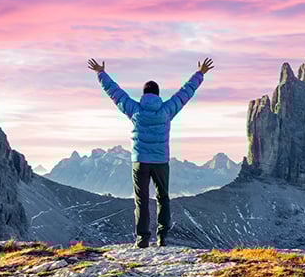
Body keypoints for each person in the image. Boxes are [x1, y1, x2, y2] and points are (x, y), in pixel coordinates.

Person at [87, 57, 214, 248]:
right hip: (161, 161)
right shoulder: (166, 111)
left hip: (140, 162)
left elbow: (116, 93)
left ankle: (142, 240)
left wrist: (101, 73)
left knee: (141, 200)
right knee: (163, 197)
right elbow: (184, 94)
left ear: (144, 94)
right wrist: (200, 74)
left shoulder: (135, 110)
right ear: (158, 94)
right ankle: (162, 237)